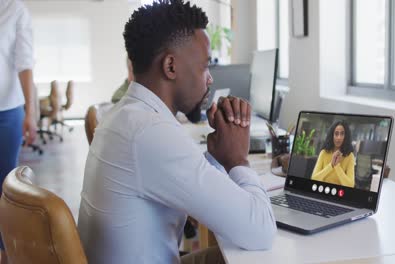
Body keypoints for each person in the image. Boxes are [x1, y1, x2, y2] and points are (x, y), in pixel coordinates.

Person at [77, 1, 276, 263]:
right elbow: (261, 232)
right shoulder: (150, 132)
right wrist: (238, 160)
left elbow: (188, 181)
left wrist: (217, 156)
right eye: (205, 66)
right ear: (171, 66)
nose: (210, 79)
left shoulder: (127, 115)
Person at [0, 0, 37, 263]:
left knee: (4, 188)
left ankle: (4, 253)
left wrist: (31, 112)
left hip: (7, 112)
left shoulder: (15, 10)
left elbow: (24, 63)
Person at [311, 120, 355, 188]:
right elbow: (314, 178)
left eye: (342, 134)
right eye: (336, 134)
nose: (339, 137)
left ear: (346, 136)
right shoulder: (324, 153)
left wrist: (337, 166)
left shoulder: (350, 156)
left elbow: (350, 185)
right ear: (332, 135)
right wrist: (331, 165)